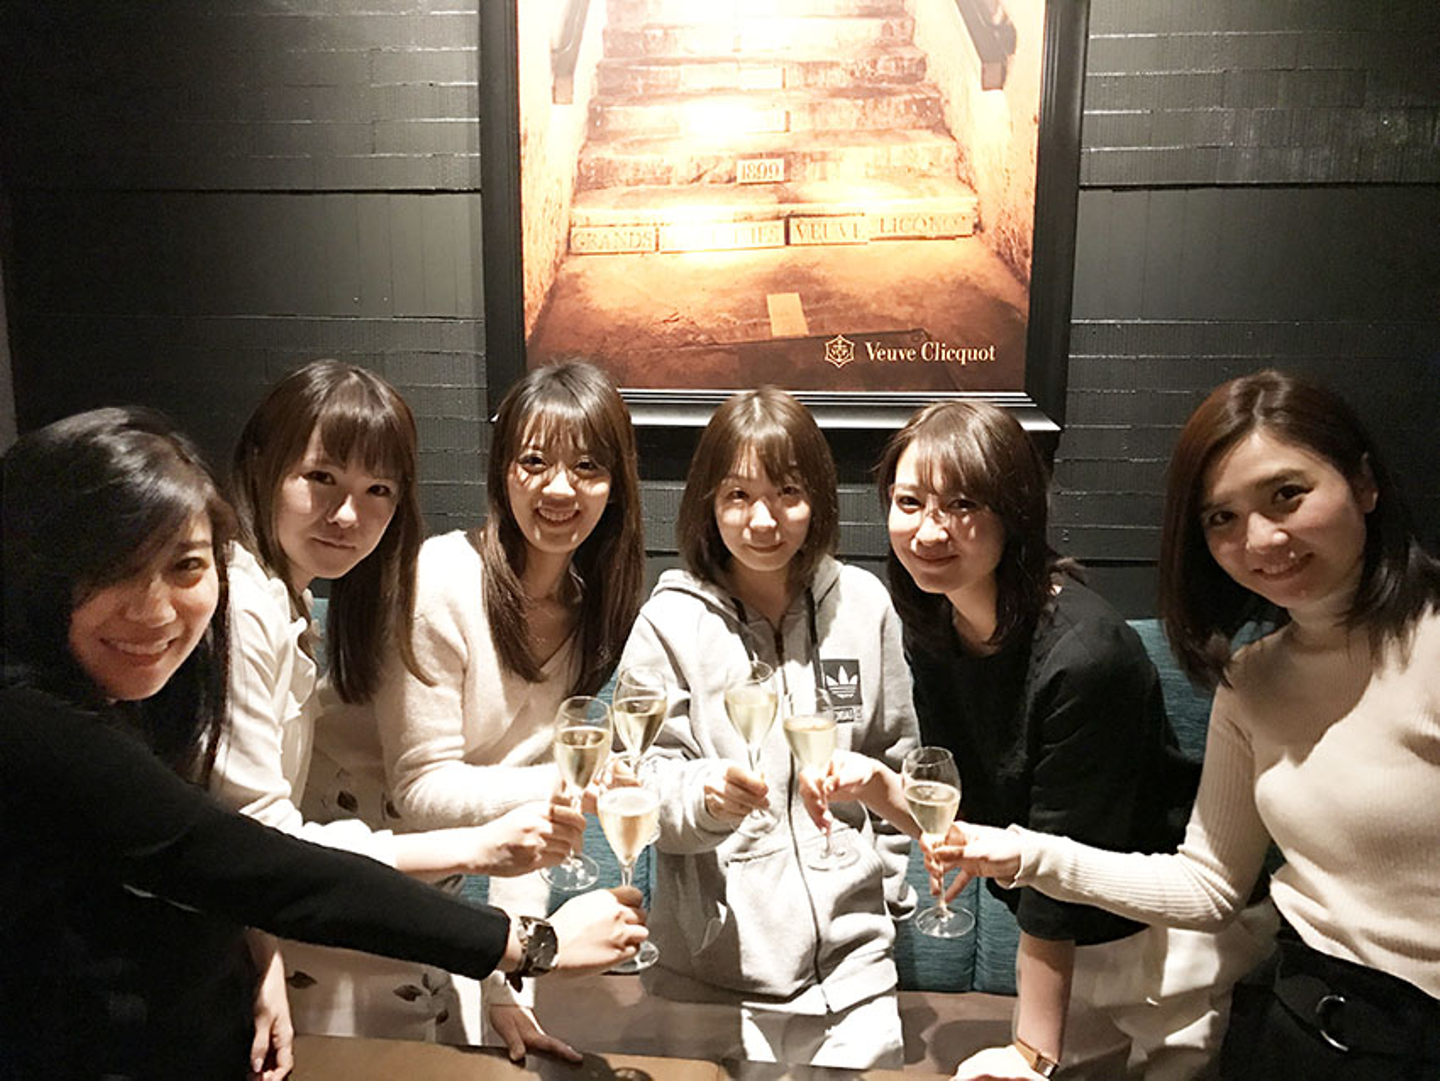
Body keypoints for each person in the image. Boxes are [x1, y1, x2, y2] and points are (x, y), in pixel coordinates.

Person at [0, 407, 648, 1081]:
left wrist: (257, 949)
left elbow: (218, 867)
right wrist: (529, 945)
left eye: (187, 565)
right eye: (112, 570)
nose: (155, 610)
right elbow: (250, 861)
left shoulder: (152, 678)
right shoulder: (34, 725)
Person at [937, 371, 1440, 1079]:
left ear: (1363, 483)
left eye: (1287, 494)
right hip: (1299, 1018)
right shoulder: (1253, 676)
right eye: (1221, 517)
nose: (1260, 538)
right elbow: (1208, 886)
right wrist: (1022, 853)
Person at [211, 360, 585, 1050]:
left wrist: (504, 987)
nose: (348, 515)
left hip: (362, 915)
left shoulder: (293, 601)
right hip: (321, 927)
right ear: (261, 464)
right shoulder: (241, 606)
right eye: (321, 477)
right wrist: (489, 856)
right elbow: (258, 845)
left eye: (377, 489)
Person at [304, 359, 645, 1058]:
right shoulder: (440, 581)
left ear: (615, 484)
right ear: (502, 472)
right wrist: (569, 782)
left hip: (439, 894)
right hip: (340, 873)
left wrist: (510, 989)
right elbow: (422, 788)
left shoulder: (586, 610)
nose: (559, 487)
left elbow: (529, 827)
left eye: (587, 466)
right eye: (534, 461)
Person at [615, 387, 918, 1069]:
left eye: (787, 493)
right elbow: (637, 779)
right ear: (707, 503)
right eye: (738, 495)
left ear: (819, 500)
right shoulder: (669, 622)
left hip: (857, 976)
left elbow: (898, 761)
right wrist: (705, 797)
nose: (763, 520)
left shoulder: (863, 605)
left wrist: (887, 891)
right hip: (710, 977)